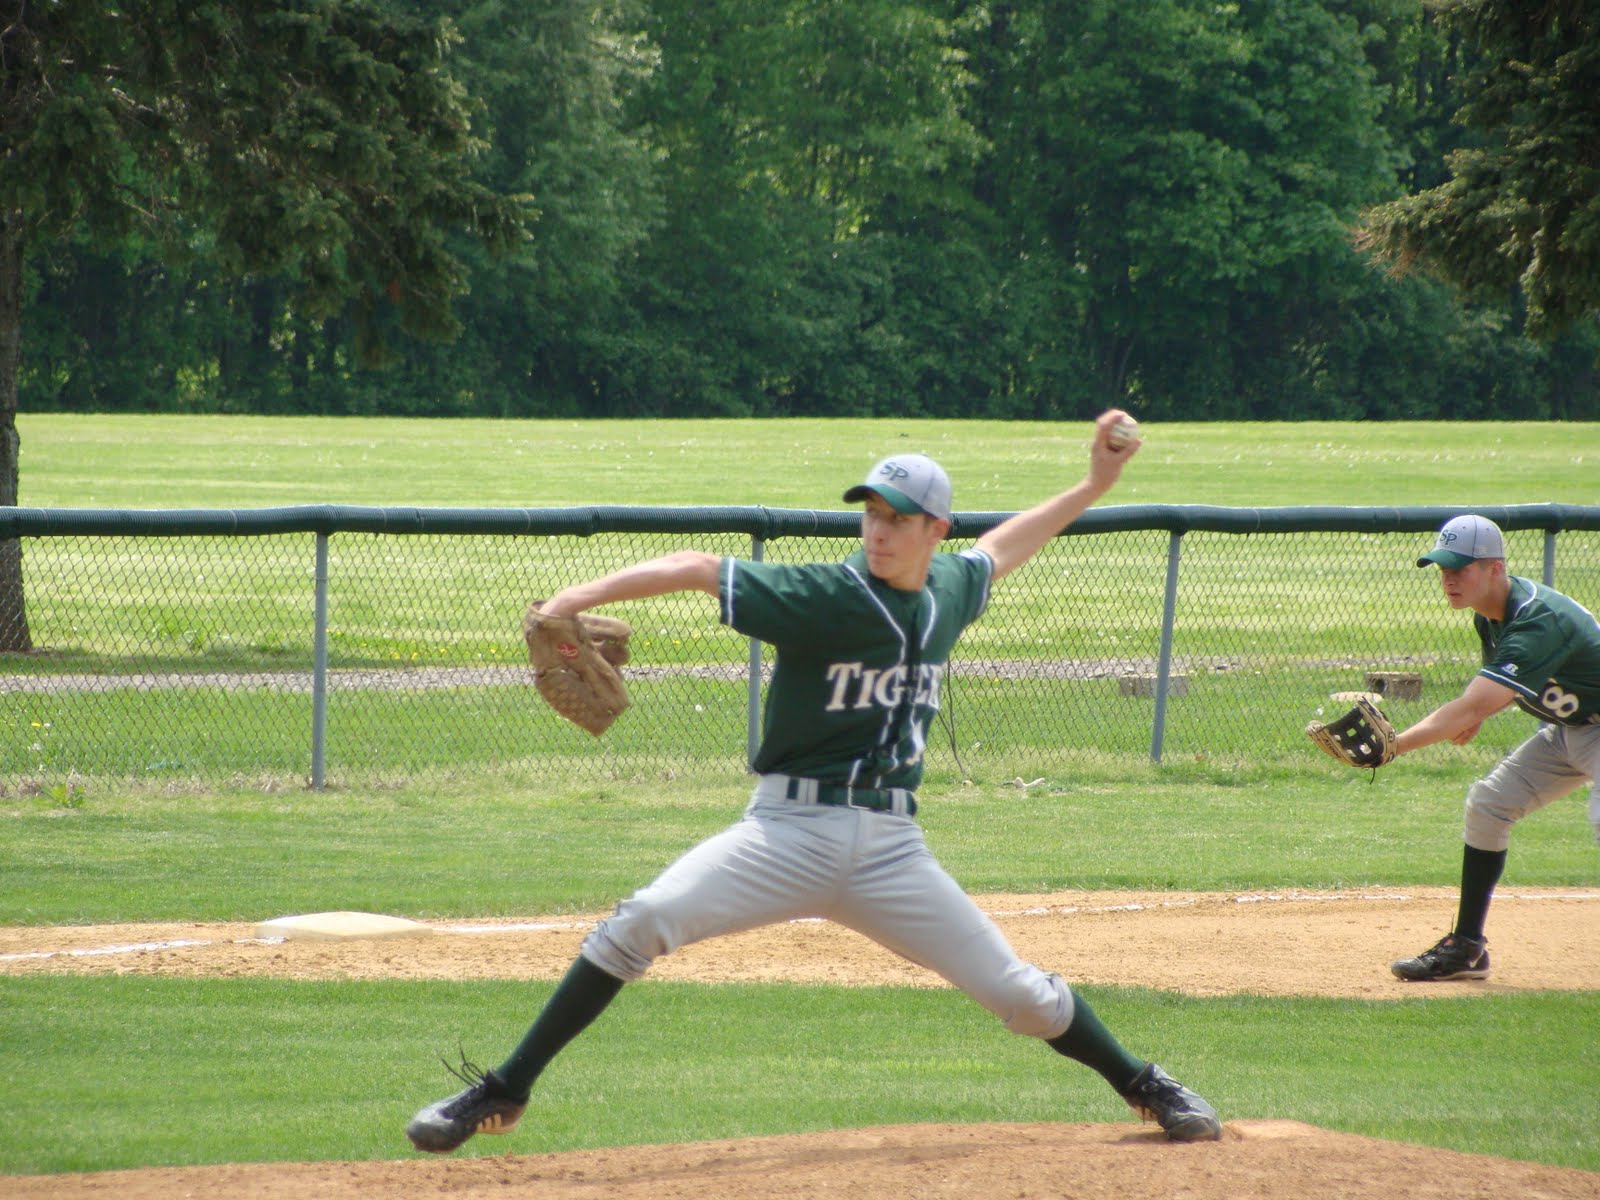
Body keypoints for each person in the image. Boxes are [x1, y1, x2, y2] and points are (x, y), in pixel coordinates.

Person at [406, 410, 1222, 1152]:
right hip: (784, 834)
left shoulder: (948, 591)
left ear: (935, 528)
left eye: (898, 518)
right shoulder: (821, 595)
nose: (879, 529)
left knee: (1024, 997)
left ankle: (1145, 1085)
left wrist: (1094, 484)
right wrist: (577, 594)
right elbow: (697, 565)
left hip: (893, 851)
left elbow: (1005, 546)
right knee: (642, 920)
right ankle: (503, 1089)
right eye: (870, 512)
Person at [1388, 514, 1600, 982]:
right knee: (1489, 805)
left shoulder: (1537, 620)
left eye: (1459, 569)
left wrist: (1394, 746)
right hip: (1571, 731)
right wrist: (1481, 711)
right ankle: (1466, 947)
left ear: (1494, 569)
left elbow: (1469, 705)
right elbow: (1500, 689)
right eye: (1442, 569)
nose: (1448, 579)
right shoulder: (1491, 615)